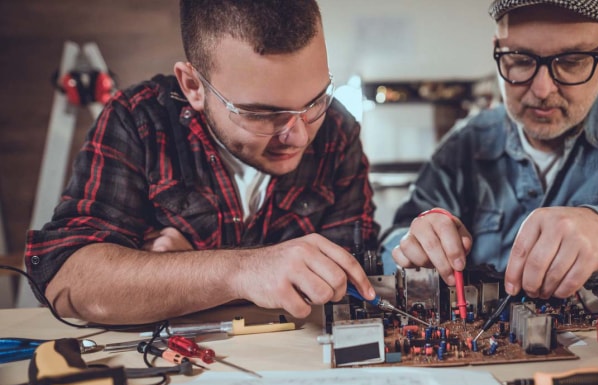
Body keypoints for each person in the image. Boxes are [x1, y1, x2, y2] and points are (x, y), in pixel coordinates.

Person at [25, 0, 379, 325]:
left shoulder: (336, 128)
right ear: (194, 86)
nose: (299, 136)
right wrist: (240, 271)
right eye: (260, 114)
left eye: (315, 101)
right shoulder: (138, 121)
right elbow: (67, 277)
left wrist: (170, 273)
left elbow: (352, 274)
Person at [386, 0, 598, 316]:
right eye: (520, 60)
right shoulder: (464, 144)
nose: (542, 89)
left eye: (572, 61)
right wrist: (413, 243)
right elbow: (395, 240)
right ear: (497, 49)